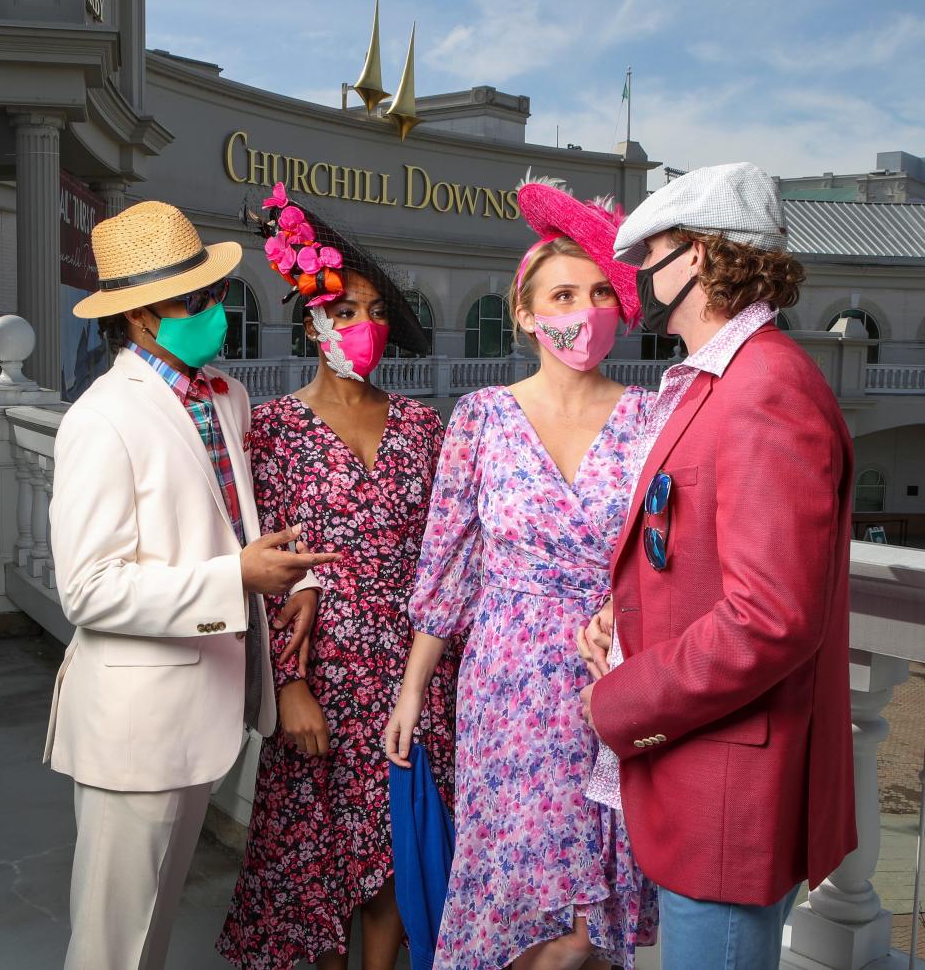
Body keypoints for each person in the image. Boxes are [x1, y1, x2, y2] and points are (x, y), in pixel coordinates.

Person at [578, 162, 856, 970]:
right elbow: (697, 556)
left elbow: (771, 619)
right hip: (704, 778)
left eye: (653, 252)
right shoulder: (725, 380)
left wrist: (619, 698)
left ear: (695, 257)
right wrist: (624, 622)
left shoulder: (765, 386)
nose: (637, 277)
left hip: (728, 797)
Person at [47, 201, 336, 970]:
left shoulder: (226, 397)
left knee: (154, 925)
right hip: (135, 725)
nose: (215, 312)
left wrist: (282, 581)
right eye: (195, 300)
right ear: (142, 317)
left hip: (206, 712)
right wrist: (232, 578)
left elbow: (225, 520)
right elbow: (89, 589)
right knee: (113, 945)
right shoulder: (102, 418)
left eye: (214, 296)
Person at [386, 177, 658, 970]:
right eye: (564, 292)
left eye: (603, 290)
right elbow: (446, 566)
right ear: (527, 313)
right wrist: (411, 692)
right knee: (529, 916)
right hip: (507, 690)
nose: (585, 308)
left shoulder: (652, 418)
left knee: (593, 923)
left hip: (610, 678)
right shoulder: (481, 418)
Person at [217, 187, 462, 970]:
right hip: (324, 674)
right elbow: (267, 570)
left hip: (411, 676)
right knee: (317, 865)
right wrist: (289, 684)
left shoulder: (425, 426)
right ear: (311, 320)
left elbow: (446, 559)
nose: (364, 327)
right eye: (345, 310)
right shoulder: (275, 427)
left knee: (399, 846)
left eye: (376, 311)